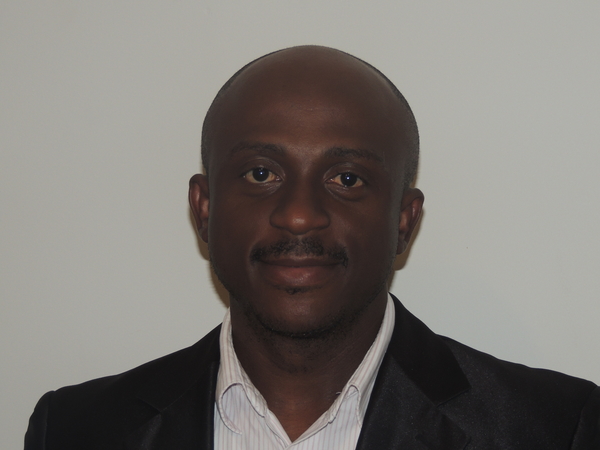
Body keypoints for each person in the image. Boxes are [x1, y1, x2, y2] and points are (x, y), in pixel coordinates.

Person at [24, 46, 599, 450]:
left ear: (404, 220)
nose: (299, 214)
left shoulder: (554, 430)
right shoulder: (76, 431)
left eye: (347, 179)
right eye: (260, 174)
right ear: (204, 208)